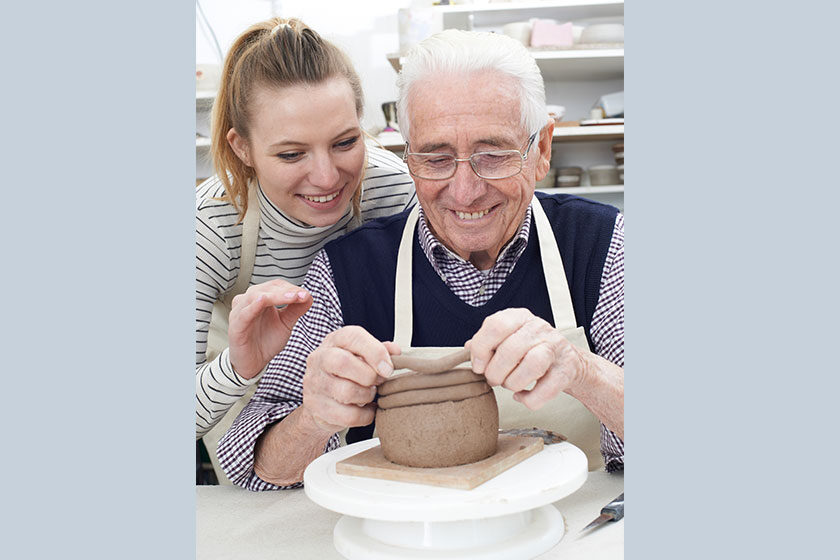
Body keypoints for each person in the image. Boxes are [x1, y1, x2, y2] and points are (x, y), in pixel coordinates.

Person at [217, 29, 624, 491]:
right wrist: (313, 418)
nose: (466, 190)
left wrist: (584, 371)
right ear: (406, 159)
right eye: (436, 158)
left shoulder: (601, 244)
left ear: (542, 150)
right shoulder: (347, 272)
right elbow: (256, 473)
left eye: (493, 154)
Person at [195, 17, 416, 469]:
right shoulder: (209, 227)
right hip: (247, 403)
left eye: (344, 142)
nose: (327, 177)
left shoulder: (390, 189)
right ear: (242, 148)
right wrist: (239, 367)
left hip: (370, 398)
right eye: (291, 154)